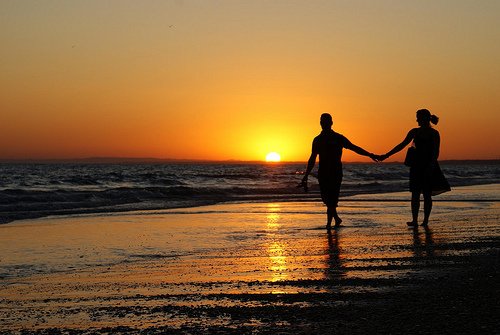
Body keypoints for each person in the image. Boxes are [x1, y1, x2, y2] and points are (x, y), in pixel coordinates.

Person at [299, 113, 378, 229]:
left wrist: (370, 155)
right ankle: (336, 218)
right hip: (323, 173)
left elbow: (354, 148)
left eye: (326, 121)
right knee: (326, 199)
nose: (324, 123)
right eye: (322, 121)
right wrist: (305, 175)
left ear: (331, 123)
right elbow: (312, 158)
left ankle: (329, 224)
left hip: (336, 172)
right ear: (320, 123)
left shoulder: (338, 138)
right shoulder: (317, 140)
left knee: (332, 199)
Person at [379, 109, 450, 227]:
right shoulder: (414, 132)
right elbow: (401, 145)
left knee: (426, 194)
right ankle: (415, 220)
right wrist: (386, 155)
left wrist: (431, 165)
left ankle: (425, 220)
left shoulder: (434, 133)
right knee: (415, 194)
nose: (416, 119)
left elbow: (436, 151)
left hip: (429, 166)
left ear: (424, 118)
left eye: (418, 117)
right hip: (416, 166)